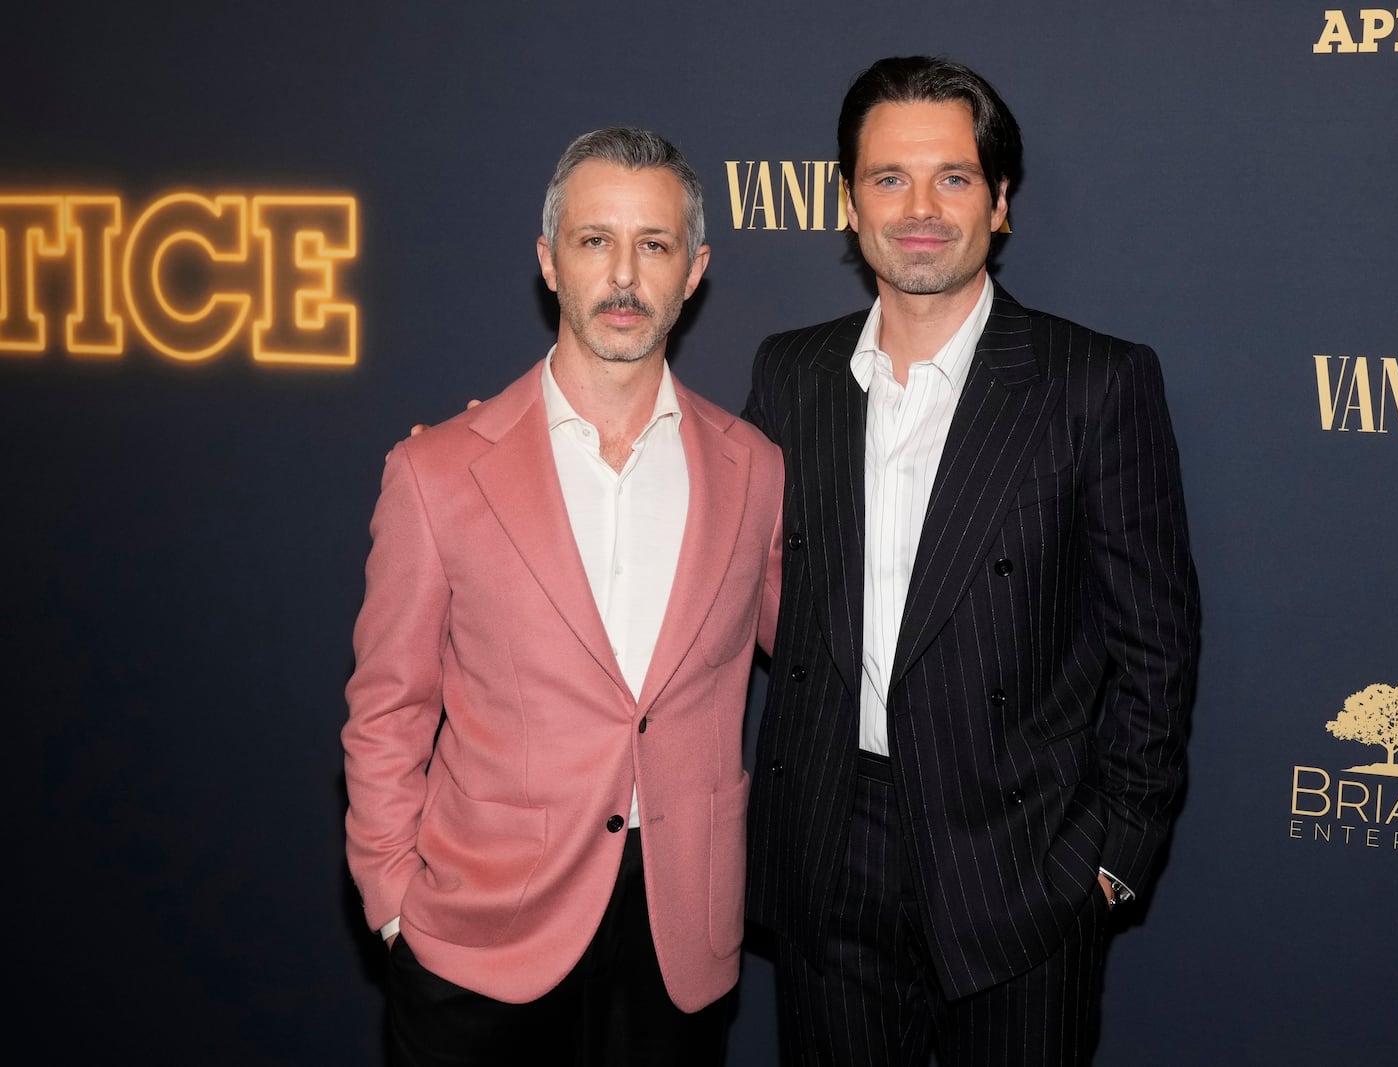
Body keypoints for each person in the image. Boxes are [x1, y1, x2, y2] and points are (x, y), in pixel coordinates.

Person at [742, 57, 1201, 1065]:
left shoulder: (1093, 381)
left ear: (998, 204)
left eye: (951, 178)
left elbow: (1155, 645)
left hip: (1019, 855)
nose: (919, 209)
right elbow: (709, 549)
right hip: (828, 843)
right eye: (888, 178)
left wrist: (1113, 859)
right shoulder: (790, 371)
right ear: (848, 203)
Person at [342, 126, 783, 1067]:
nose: (624, 274)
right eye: (595, 241)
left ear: (694, 269)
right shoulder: (437, 471)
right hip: (479, 942)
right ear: (549, 261)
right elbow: (388, 706)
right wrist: (391, 904)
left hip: (678, 941)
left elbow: (826, 648)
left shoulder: (757, 472)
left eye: (654, 245)